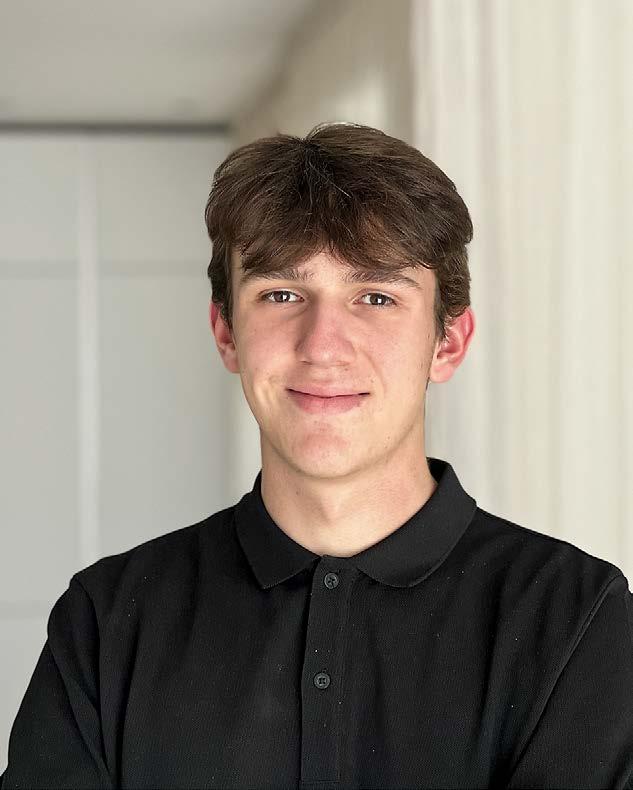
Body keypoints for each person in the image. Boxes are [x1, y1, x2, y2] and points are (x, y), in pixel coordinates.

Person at [2, 122, 632, 789]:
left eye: (376, 297)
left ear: (447, 342)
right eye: (281, 295)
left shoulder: (575, 618)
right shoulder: (106, 620)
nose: (323, 345)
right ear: (226, 333)